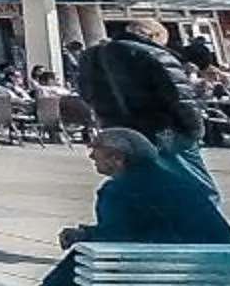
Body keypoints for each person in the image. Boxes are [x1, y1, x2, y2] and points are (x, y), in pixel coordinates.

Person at [38, 127, 230, 286]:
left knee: (79, 265)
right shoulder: (180, 181)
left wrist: (83, 236)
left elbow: (117, 237)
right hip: (217, 269)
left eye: (96, 152)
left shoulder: (118, 190)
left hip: (170, 272)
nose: (91, 157)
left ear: (117, 158)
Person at [76, 21, 214, 197]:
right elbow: (180, 98)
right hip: (163, 131)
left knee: (138, 185)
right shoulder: (154, 54)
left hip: (118, 130)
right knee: (196, 189)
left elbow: (85, 94)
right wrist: (194, 131)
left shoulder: (90, 56)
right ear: (152, 36)